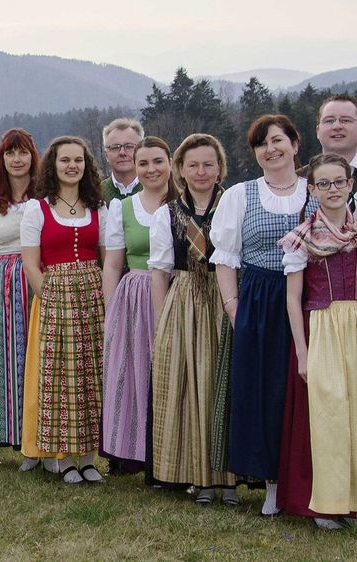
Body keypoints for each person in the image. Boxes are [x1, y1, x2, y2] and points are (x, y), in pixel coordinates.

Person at [280, 153, 357, 529]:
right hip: (322, 327)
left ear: (351, 185)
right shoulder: (302, 236)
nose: (332, 189)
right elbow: (292, 297)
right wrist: (301, 352)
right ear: (312, 189)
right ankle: (326, 503)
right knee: (328, 415)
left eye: (339, 182)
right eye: (324, 183)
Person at [212, 114, 317, 515]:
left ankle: (307, 481)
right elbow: (225, 257)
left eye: (277, 140)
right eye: (261, 144)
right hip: (257, 297)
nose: (270, 150)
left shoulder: (316, 190)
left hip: (309, 298)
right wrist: (233, 305)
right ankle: (271, 483)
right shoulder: (241, 194)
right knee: (262, 391)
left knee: (302, 390)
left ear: (295, 143)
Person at [148, 134, 240, 504]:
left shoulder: (235, 205)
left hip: (227, 297)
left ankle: (230, 478)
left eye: (208, 164)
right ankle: (199, 477)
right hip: (185, 300)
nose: (201, 172)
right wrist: (161, 324)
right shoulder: (167, 213)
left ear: (220, 167)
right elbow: (159, 273)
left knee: (226, 384)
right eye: (193, 165)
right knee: (192, 388)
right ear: (180, 170)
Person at [20, 136, 112, 484]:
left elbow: (106, 259)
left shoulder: (97, 207)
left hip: (92, 298)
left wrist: (101, 298)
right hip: (55, 298)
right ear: (52, 166)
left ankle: (87, 459)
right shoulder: (37, 208)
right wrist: (52, 300)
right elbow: (31, 265)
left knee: (90, 378)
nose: (72, 166)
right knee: (59, 379)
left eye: (78, 160)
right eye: (64, 160)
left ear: (86, 165)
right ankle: (63, 460)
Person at [100, 136, 173, 475]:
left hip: (176, 292)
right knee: (134, 373)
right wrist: (111, 311)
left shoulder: (182, 204)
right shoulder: (123, 208)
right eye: (143, 163)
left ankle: (170, 452)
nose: (150, 169)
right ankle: (131, 451)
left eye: (157, 161)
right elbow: (113, 264)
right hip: (135, 294)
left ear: (171, 163)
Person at [0, 129, 38, 465]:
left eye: (23, 152)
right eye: (10, 153)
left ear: (32, 156)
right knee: (10, 365)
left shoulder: (44, 196)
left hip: (38, 279)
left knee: (41, 362)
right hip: (3, 282)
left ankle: (45, 445)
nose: (17, 159)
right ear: (2, 159)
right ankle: (23, 444)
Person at [314, 94, 357, 191]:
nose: (337, 126)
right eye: (329, 121)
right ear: (318, 131)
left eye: (345, 120)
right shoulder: (299, 180)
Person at [101, 118, 145, 200]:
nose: (122, 153)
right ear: (106, 155)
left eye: (129, 146)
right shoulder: (96, 194)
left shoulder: (155, 190)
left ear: (140, 151)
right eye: (115, 147)